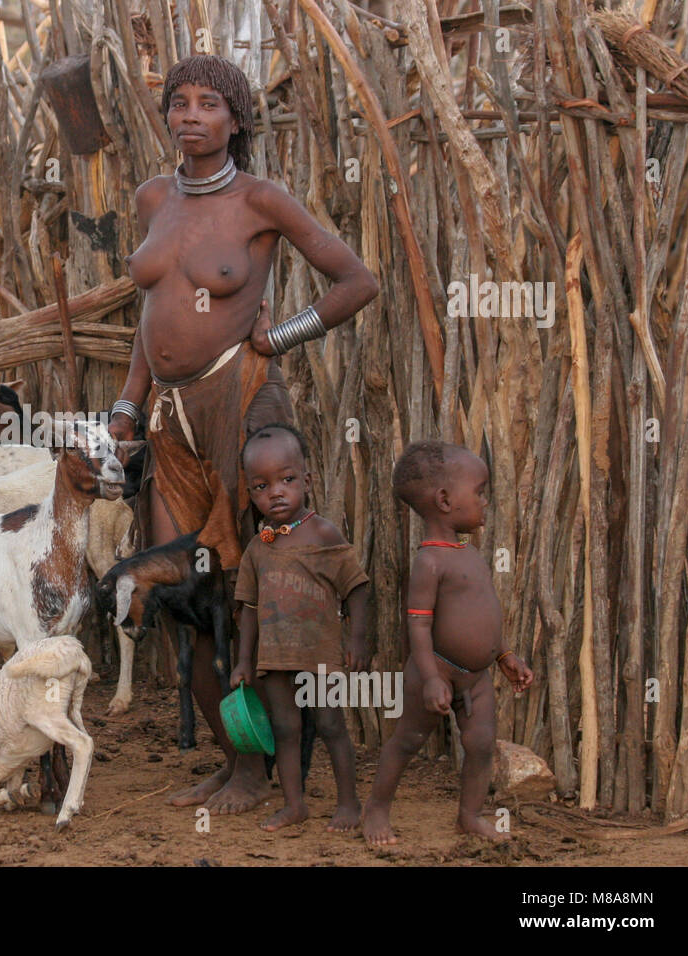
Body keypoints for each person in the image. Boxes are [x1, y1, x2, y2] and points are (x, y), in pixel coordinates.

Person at [107, 54, 378, 814]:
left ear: (236, 119)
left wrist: (281, 337)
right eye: (179, 103)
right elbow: (150, 320)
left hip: (244, 402)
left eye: (208, 104)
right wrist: (129, 406)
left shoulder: (262, 200)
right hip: (170, 419)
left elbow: (358, 281)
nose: (190, 115)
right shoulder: (154, 197)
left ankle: (280, 774)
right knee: (188, 592)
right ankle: (240, 766)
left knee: (256, 590)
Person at [361, 440, 534, 844]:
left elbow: (484, 615)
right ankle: (377, 808)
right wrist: (430, 677)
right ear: (443, 499)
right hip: (434, 670)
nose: (485, 501)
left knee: (481, 744)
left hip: (477, 676)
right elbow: (418, 627)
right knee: (407, 740)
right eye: (479, 491)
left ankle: (469, 815)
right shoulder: (430, 561)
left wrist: (505, 654)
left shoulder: (469, 553)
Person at [229, 424, 370, 831]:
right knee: (285, 730)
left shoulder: (324, 533)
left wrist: (356, 639)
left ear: (306, 481)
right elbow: (250, 608)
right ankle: (295, 804)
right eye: (261, 486)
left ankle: (349, 803)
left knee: (330, 725)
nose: (275, 492)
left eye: (287, 480)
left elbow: (357, 588)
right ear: (251, 493)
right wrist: (243, 662)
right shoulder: (258, 548)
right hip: (274, 660)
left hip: (321, 657)